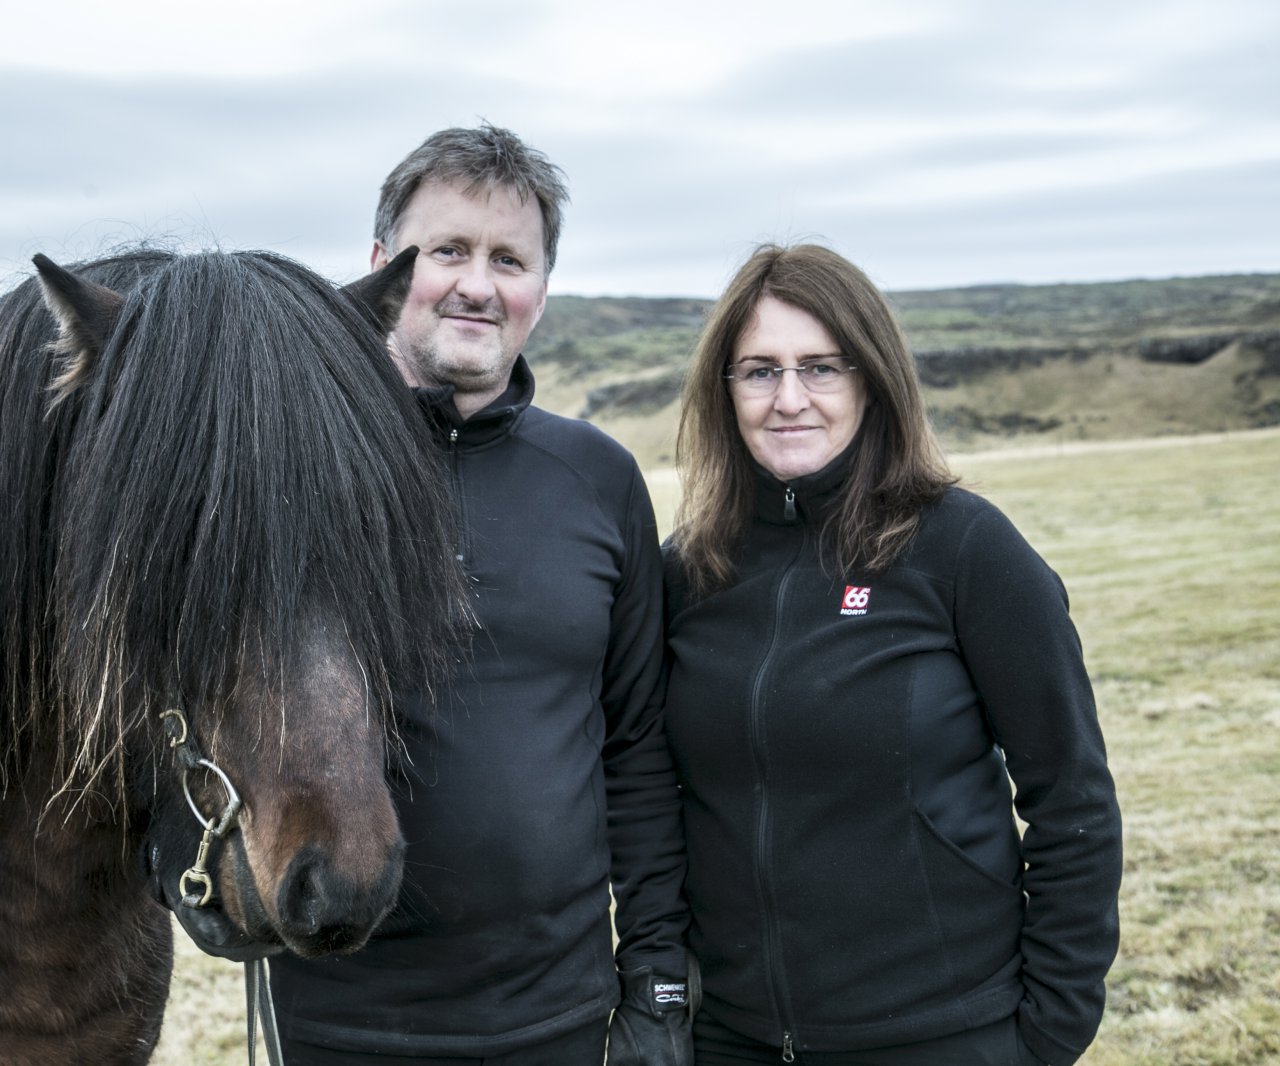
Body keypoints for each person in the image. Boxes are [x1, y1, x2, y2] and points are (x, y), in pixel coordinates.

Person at [265, 124, 693, 1065]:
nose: (477, 282)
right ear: (382, 265)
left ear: (541, 288)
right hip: (343, 1020)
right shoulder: (295, 476)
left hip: (562, 1016)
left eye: (510, 258)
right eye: (447, 249)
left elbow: (638, 744)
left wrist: (658, 985)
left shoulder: (597, 479)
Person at [663, 244, 1122, 1066]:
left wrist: (1047, 1031)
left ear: (871, 380)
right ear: (723, 390)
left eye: (821, 368)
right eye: (759, 371)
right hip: (733, 1037)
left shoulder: (964, 549)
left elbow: (1073, 800)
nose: (789, 398)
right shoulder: (689, 572)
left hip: (942, 1033)